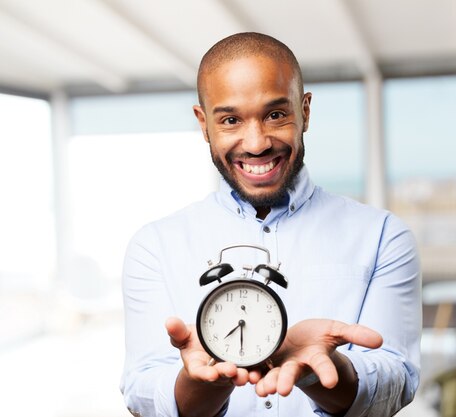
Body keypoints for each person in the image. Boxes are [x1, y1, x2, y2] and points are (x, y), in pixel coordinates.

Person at [120, 32, 422, 417]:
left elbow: (397, 381)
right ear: (203, 124)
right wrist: (201, 383)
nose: (257, 143)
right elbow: (142, 394)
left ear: (305, 111)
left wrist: (315, 375)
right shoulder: (155, 246)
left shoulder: (382, 236)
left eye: (276, 114)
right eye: (230, 120)